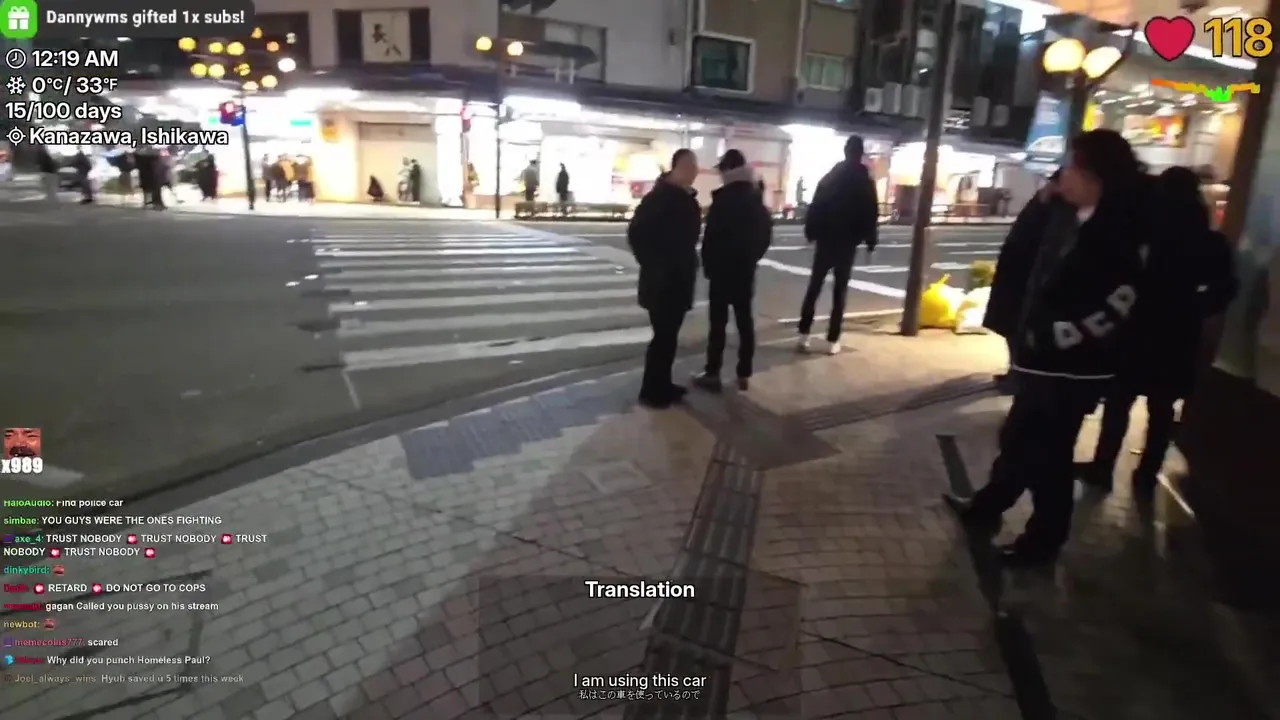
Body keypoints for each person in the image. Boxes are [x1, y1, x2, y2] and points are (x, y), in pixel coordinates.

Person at [945, 130, 1152, 568]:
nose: (1063, 174)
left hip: (1074, 368)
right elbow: (1021, 254)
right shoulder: (1066, 215)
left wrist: (1055, 336)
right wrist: (1041, 204)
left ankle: (1042, 541)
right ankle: (987, 509)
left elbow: (1120, 303)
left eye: (1072, 166)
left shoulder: (1120, 230)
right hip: (1043, 362)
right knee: (1019, 440)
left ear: (1096, 176)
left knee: (1048, 455)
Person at [1080, 166, 1238, 495]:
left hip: (1135, 328)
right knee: (1162, 409)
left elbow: (1113, 278)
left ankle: (1103, 467)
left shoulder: (1143, 234)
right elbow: (1225, 288)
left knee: (1119, 403)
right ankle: (1147, 474)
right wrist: (1194, 307)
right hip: (1178, 333)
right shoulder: (1209, 241)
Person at [693, 150, 772, 392]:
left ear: (728, 170)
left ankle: (713, 372)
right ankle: (743, 373)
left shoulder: (724, 199)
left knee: (718, 324)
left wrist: (708, 266)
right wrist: (752, 258)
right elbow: (765, 235)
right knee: (744, 322)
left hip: (721, 271)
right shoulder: (755, 197)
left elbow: (711, 238)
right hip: (744, 270)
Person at [627, 149, 701, 408]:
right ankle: (651, 391)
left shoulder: (681, 197)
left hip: (677, 279)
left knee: (668, 338)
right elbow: (637, 234)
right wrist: (655, 264)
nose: (695, 172)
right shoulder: (660, 198)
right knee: (663, 337)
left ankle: (662, 384)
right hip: (663, 281)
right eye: (691, 167)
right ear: (678, 167)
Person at [797, 135, 880, 354]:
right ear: (860, 154)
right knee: (839, 291)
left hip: (826, 239)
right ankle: (833, 340)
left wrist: (811, 231)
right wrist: (870, 241)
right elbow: (871, 211)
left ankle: (804, 333)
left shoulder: (832, 175)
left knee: (815, 286)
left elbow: (817, 204)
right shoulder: (865, 180)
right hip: (847, 242)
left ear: (845, 151)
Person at [984, 170, 1063, 393]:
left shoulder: (1062, 210)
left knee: (1021, 327)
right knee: (1012, 326)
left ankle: (1021, 376)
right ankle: (1016, 372)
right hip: (1018, 273)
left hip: (1029, 277)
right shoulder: (1045, 202)